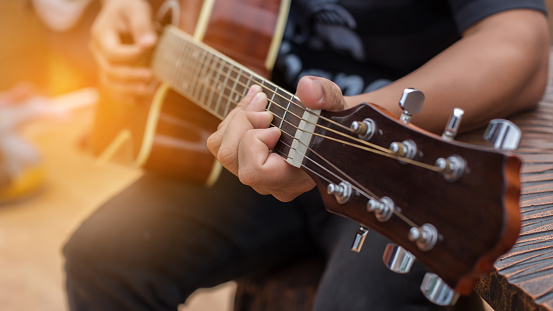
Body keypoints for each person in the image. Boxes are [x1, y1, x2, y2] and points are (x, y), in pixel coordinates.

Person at [63, 0, 550, 310]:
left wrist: (345, 126)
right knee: (100, 259)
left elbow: (518, 45)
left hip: (399, 168)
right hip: (257, 133)